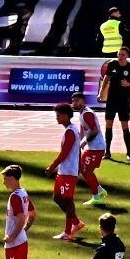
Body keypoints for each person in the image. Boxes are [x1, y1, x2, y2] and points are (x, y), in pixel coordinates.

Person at [45, 103, 86, 241]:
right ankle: (76, 223)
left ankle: (68, 232)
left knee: (68, 201)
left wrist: (51, 167)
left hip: (68, 172)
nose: (56, 117)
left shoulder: (70, 132)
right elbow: (77, 151)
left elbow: (64, 153)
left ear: (66, 115)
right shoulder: (71, 130)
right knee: (57, 197)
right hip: (65, 171)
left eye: (59, 115)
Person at [100, 48, 130, 160]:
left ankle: (128, 152)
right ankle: (107, 151)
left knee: (125, 125)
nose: (120, 56)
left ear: (127, 55)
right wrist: (101, 93)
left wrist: (129, 84)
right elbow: (106, 78)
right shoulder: (112, 64)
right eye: (118, 54)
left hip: (124, 101)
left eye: (122, 54)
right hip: (112, 99)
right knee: (108, 124)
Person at [71, 92, 108, 206]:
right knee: (83, 169)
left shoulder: (87, 113)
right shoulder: (82, 113)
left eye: (77, 101)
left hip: (96, 147)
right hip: (92, 147)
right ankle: (100, 191)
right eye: (73, 101)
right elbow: (83, 130)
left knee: (87, 171)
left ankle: (96, 195)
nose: (74, 103)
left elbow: (94, 130)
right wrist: (79, 142)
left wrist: (83, 143)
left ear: (83, 101)